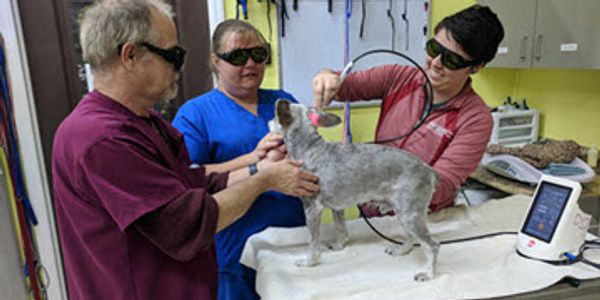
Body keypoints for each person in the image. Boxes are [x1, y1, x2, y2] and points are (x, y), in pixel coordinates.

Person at [51, 1, 319, 300]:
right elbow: (185, 222)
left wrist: (260, 168)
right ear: (131, 55)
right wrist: (264, 181)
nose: (178, 68)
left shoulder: (145, 123)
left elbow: (190, 181)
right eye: (173, 55)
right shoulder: (101, 139)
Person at [311, 4, 504, 214]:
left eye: (452, 59)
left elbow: (441, 184)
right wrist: (326, 75)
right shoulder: (398, 78)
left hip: (421, 219)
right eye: (434, 49)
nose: (436, 63)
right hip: (372, 213)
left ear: (477, 66)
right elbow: (342, 86)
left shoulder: (476, 119)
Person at [172, 19, 303, 300]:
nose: (251, 64)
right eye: (238, 56)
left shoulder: (284, 102)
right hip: (235, 253)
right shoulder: (195, 114)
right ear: (215, 61)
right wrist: (253, 162)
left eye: (259, 54)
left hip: (295, 245)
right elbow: (189, 177)